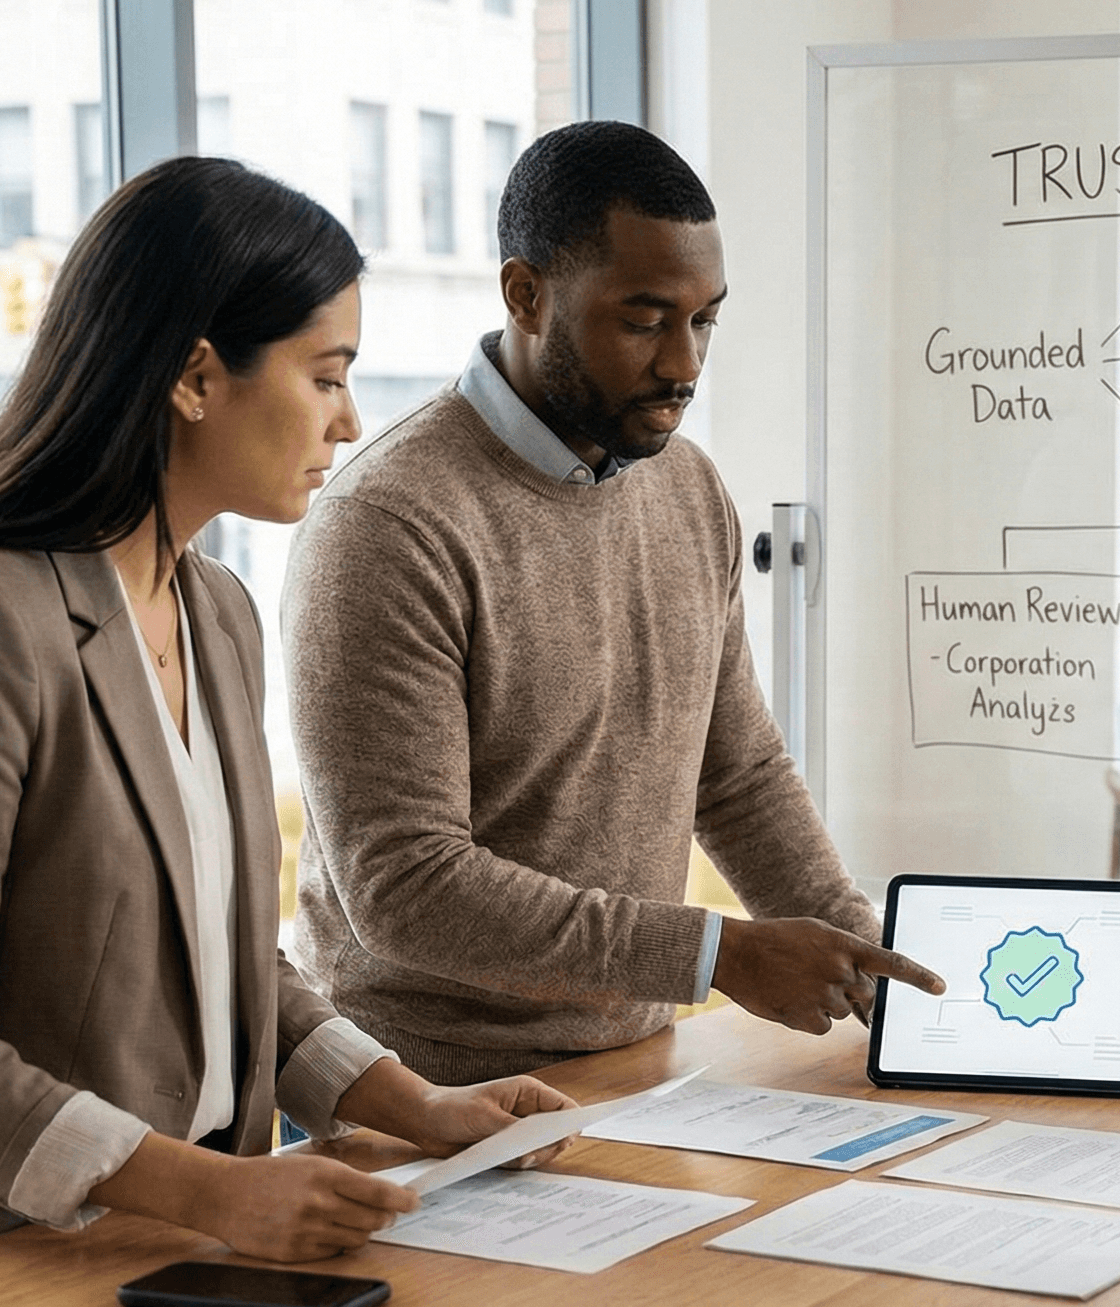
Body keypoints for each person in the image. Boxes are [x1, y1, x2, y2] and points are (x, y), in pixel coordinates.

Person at [0, 159, 575, 1307]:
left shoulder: (215, 610)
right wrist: (218, 1196)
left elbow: (228, 962)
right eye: (325, 375)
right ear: (193, 376)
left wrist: (409, 1102)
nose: (349, 419)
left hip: (142, 1264)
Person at [284, 120, 942, 1084]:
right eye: (644, 320)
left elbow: (737, 774)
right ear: (527, 294)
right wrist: (719, 957)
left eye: (705, 319)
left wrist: (875, 965)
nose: (683, 364)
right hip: (418, 1090)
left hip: (629, 1062)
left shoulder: (687, 490)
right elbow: (406, 886)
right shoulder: (387, 523)